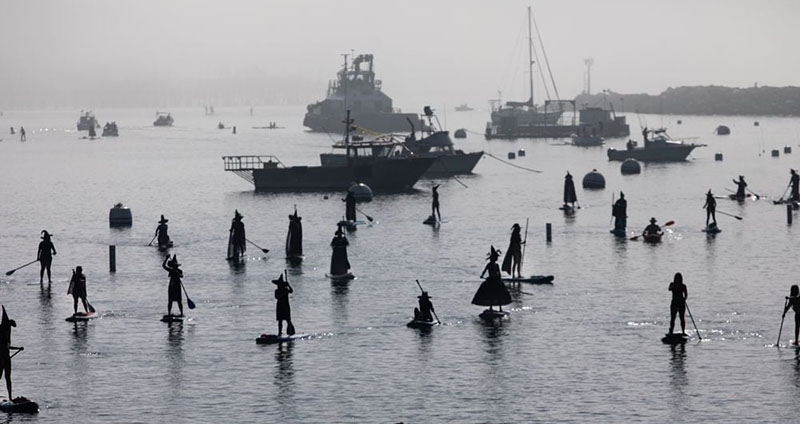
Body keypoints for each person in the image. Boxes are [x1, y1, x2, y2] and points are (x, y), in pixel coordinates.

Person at [472, 246, 512, 312]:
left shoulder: (496, 265)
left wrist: (499, 279)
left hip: (496, 281)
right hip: (491, 281)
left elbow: (498, 273)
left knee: (498, 295)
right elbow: (485, 271)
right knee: (491, 295)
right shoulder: (490, 265)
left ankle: (500, 308)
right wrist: (482, 275)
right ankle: (492, 308)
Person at [0, 306, 22, 400]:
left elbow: (7, 347)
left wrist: (18, 348)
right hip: (1, 358)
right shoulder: (1, 332)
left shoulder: (6, 330)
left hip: (7, 358)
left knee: (8, 378)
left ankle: (10, 397)